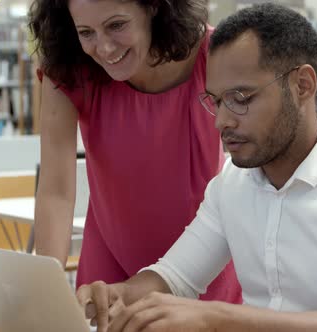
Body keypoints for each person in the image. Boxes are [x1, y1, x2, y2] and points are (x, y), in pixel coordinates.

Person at [77, 3, 317, 332]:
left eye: (241, 99)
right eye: (216, 101)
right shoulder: (231, 187)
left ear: (302, 86)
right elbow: (173, 276)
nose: (221, 121)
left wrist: (218, 317)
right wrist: (117, 294)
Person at [27, 0, 241, 303]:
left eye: (116, 25)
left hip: (204, 262)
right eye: (86, 32)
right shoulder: (68, 67)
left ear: (155, 6)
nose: (104, 48)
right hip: (109, 262)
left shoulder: (217, 53)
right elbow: (56, 192)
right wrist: (45, 292)